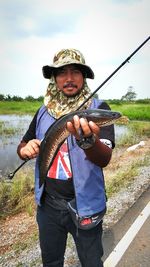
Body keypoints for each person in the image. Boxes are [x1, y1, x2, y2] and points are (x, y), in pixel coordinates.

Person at [17, 48, 115, 267]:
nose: (69, 78)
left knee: (91, 262)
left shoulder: (99, 110)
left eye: (75, 72)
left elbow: (104, 158)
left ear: (84, 76)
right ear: (54, 78)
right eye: (62, 72)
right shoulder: (43, 111)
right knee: (51, 261)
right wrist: (25, 150)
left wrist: (89, 142)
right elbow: (22, 145)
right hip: (48, 206)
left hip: (86, 206)